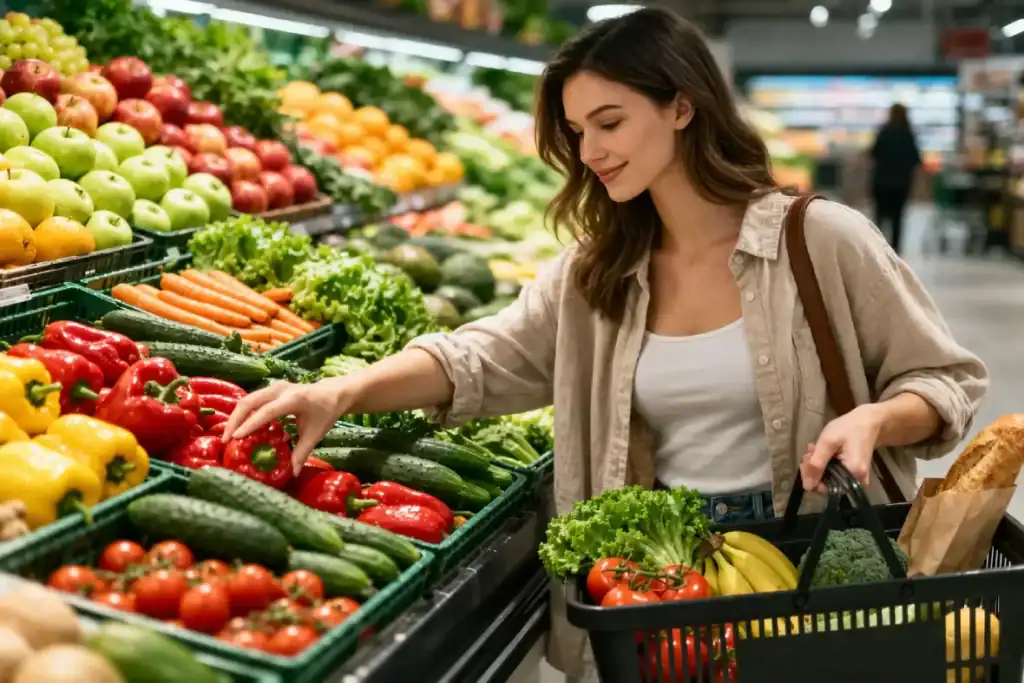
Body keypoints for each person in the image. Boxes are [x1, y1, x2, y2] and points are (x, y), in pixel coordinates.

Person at [222, 8, 987, 681]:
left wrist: (876, 420)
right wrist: (337, 393)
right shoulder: (598, 272)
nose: (589, 150)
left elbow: (943, 378)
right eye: (577, 131)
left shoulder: (817, 240)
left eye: (610, 123)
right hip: (661, 582)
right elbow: (481, 356)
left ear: (682, 107)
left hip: (812, 561)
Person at [869, 103, 922, 254]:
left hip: (881, 182)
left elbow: (874, 154)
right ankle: (895, 249)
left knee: (880, 215)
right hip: (901, 183)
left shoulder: (884, 132)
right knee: (898, 217)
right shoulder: (908, 134)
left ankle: (877, 246)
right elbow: (916, 159)